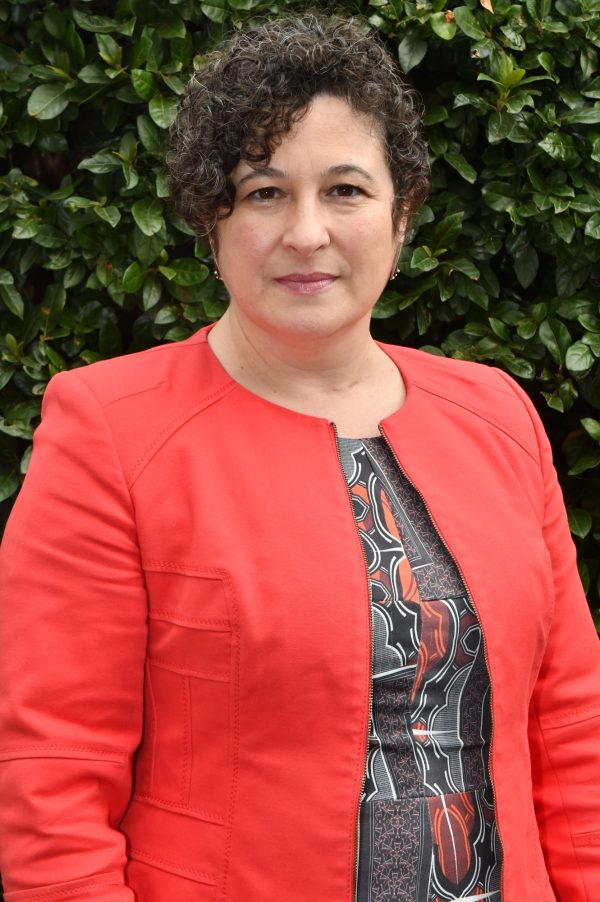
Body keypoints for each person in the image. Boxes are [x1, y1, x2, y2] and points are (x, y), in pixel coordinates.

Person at [0, 13, 599, 902]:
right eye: (264, 193)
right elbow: (53, 781)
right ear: (211, 219)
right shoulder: (110, 433)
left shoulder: (497, 416)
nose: (307, 232)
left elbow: (571, 727)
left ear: (402, 215)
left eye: (346, 189)